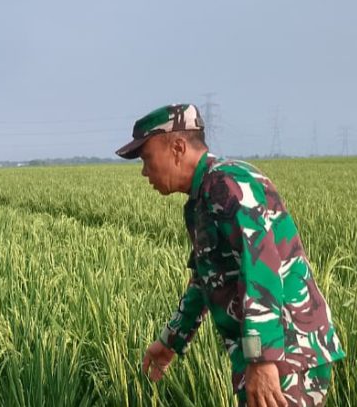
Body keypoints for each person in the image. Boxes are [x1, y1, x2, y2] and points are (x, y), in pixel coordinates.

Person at [119, 104, 345, 407]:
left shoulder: (227, 185)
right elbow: (205, 281)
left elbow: (261, 268)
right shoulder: (201, 200)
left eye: (147, 158)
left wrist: (262, 359)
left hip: (286, 353)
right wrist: (170, 341)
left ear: (177, 147)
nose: (145, 171)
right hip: (272, 354)